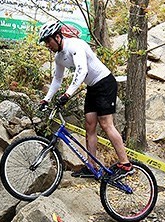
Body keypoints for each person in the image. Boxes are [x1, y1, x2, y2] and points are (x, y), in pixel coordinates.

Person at [37, 20, 133, 179]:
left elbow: (82, 71)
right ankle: (91, 167)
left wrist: (67, 94)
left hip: (105, 82)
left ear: (57, 37)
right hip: (92, 87)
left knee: (106, 124)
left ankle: (126, 164)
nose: (47, 44)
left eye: (48, 40)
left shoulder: (75, 46)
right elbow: (57, 79)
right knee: (89, 126)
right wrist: (46, 99)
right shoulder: (59, 57)